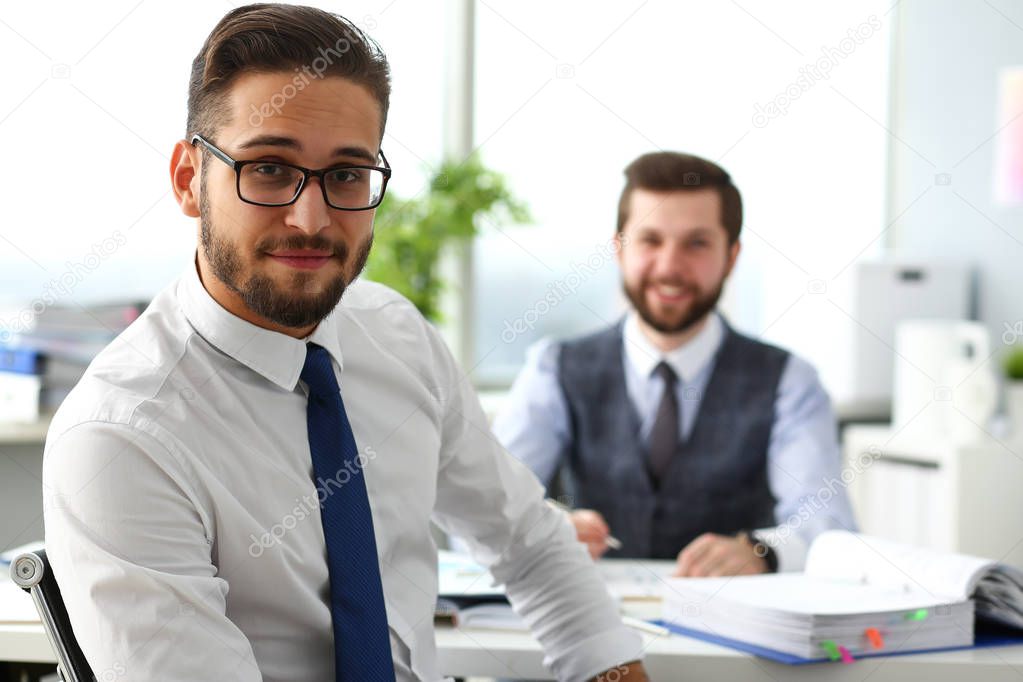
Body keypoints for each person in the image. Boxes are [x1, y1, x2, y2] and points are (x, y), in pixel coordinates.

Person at [41, 5, 649, 681]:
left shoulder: (396, 336)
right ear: (189, 179)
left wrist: (613, 671)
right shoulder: (120, 436)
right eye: (269, 168)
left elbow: (531, 544)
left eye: (346, 175)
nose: (310, 219)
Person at [494, 151, 856, 577]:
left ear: (732, 256)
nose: (669, 267)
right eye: (650, 240)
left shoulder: (790, 382)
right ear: (619, 249)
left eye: (696, 243)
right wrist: (539, 530)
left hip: (733, 629)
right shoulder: (554, 367)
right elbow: (484, 506)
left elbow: (830, 529)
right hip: (586, 624)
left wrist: (761, 551)